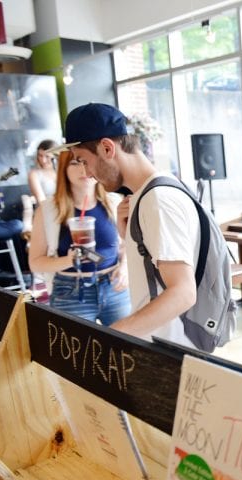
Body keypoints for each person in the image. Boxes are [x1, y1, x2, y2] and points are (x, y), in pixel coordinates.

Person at [55, 102, 201, 348]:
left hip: (171, 346)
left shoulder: (158, 199)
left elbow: (183, 292)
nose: (87, 173)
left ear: (107, 148)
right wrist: (130, 237)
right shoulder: (151, 193)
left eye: (83, 160)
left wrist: (109, 337)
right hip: (165, 340)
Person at [28, 150, 130, 325]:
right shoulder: (47, 210)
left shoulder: (114, 202)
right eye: (75, 163)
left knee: (125, 348)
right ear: (63, 169)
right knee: (78, 350)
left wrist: (125, 267)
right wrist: (69, 260)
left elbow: (128, 244)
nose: (84, 170)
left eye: (87, 162)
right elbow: (35, 262)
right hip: (70, 291)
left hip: (114, 287)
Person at [28, 139, 58, 205]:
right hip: (45, 211)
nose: (43, 160)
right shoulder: (34, 174)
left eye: (47, 156)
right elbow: (41, 201)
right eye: (40, 155)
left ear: (55, 157)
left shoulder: (61, 172)